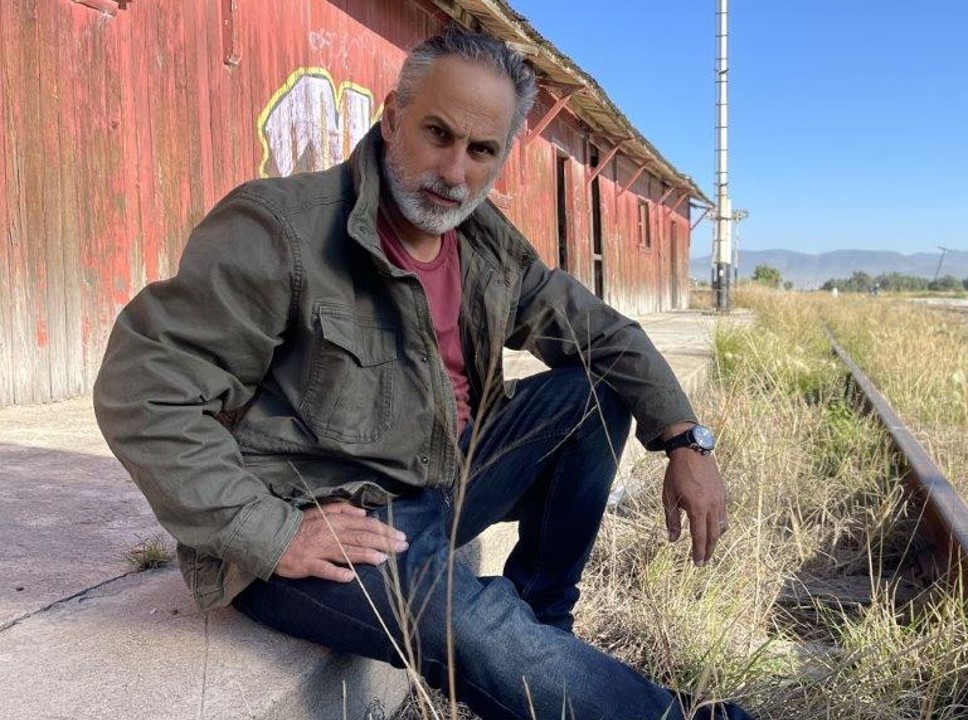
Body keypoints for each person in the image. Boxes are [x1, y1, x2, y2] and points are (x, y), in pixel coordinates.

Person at [94, 28, 752, 720]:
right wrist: (268, 532)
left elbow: (603, 336)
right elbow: (145, 391)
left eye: (481, 150)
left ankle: (543, 628)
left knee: (593, 393)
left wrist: (685, 439)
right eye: (438, 134)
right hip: (324, 515)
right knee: (478, 629)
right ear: (392, 118)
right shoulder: (281, 230)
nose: (454, 172)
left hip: (445, 480)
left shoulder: (485, 245)